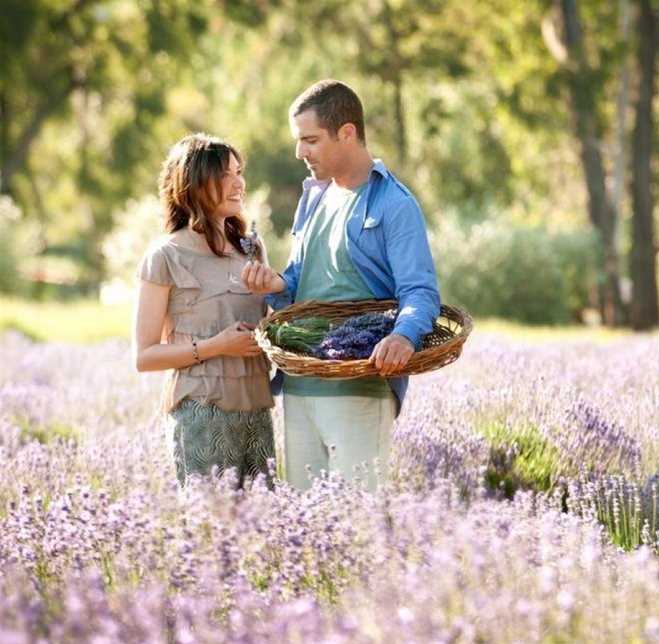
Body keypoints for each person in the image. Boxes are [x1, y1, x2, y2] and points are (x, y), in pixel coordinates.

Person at [242, 79, 440, 492]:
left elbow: (419, 291)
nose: (300, 152)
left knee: (358, 520)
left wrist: (404, 336)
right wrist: (275, 283)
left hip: (359, 388)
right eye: (299, 141)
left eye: (310, 139)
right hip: (299, 385)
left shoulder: (393, 204)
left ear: (347, 132)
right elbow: (298, 283)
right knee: (303, 521)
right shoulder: (314, 199)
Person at [134, 133, 276, 488]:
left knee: (264, 527)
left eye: (239, 171)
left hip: (256, 406)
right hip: (201, 410)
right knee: (210, 528)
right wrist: (217, 346)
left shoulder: (251, 248)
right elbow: (145, 356)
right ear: (194, 183)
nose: (239, 182)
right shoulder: (165, 255)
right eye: (226, 174)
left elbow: (267, 325)